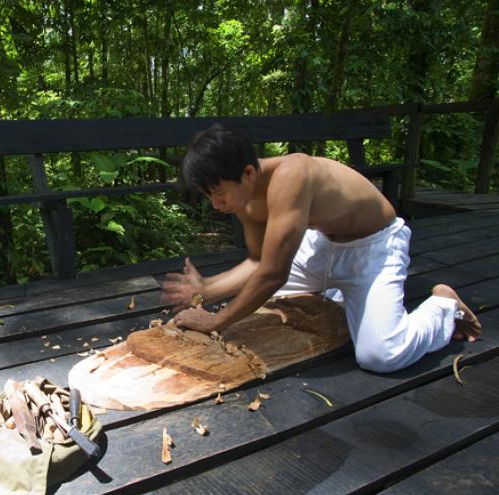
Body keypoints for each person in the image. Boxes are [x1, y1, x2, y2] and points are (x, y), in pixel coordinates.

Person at [162, 124, 481, 373]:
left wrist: (216, 321)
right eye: (209, 197)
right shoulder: (244, 200)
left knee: (381, 356)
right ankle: (343, 297)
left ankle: (442, 308)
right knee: (269, 309)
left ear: (248, 173)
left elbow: (273, 274)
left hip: (374, 248)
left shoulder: (292, 175)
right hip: (319, 245)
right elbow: (259, 262)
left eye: (219, 194)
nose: (216, 205)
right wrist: (205, 291)